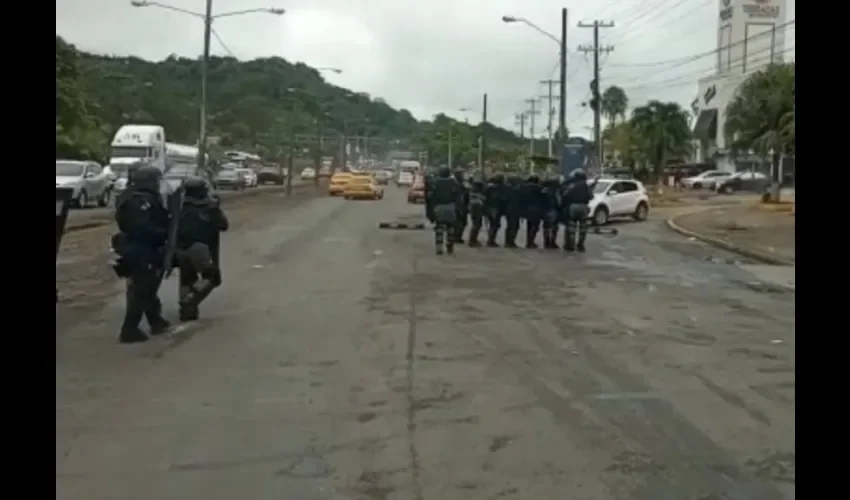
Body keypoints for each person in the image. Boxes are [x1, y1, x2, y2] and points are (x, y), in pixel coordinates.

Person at [112, 164, 171, 343]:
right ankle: (129, 329)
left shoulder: (137, 195)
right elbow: (141, 227)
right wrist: (162, 233)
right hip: (140, 248)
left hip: (142, 247)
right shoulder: (138, 200)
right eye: (155, 181)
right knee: (141, 288)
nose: (157, 184)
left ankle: (155, 320)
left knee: (148, 285)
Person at [175, 177, 229, 321]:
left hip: (180, 248)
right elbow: (223, 225)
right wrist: (217, 208)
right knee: (212, 278)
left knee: (186, 278)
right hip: (201, 248)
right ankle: (190, 299)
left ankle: (186, 310)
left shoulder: (179, 206)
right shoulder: (209, 207)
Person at [427, 166, 464, 255]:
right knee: (451, 227)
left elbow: (430, 198)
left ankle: (439, 247)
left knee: (439, 227)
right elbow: (459, 198)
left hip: (439, 208)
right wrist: (459, 210)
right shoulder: (454, 183)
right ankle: (449, 244)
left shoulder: (435, 183)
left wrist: (430, 212)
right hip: (451, 208)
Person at [561, 169, 595, 252]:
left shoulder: (572, 185)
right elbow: (591, 196)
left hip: (573, 207)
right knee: (583, 228)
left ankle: (570, 246)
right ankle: (580, 245)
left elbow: (565, 194)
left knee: (571, 227)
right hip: (583, 207)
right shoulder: (586, 185)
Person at [521, 175, 544, 248]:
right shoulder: (539, 188)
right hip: (536, 209)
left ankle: (529, 242)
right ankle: (530, 242)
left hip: (527, 208)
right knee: (535, 226)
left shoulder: (524, 187)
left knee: (529, 226)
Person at [483, 174, 505, 247]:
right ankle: (490, 241)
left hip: (490, 207)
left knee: (493, 224)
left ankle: (491, 240)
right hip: (495, 208)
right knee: (494, 225)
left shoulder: (489, 187)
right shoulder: (502, 188)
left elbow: (485, 197)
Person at [503, 175, 523, 248]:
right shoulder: (515, 189)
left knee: (510, 226)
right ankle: (510, 242)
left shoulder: (506, 188)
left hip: (508, 209)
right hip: (514, 209)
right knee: (514, 226)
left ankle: (508, 241)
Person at [541, 177, 561, 249]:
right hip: (553, 210)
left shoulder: (543, 190)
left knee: (546, 227)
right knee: (554, 227)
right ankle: (552, 242)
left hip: (545, 210)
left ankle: (546, 242)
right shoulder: (556, 191)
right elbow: (559, 202)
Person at [466, 179, 486, 247]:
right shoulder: (476, 194)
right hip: (476, 209)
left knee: (477, 224)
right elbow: (483, 199)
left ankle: (473, 239)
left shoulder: (472, 192)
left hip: (474, 209)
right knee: (476, 224)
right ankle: (472, 241)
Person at [452, 169, 470, 244]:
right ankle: (456, 237)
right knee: (460, 222)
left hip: (462, 205)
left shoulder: (462, 183)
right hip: (459, 205)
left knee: (462, 222)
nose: (465, 176)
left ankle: (458, 237)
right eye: (463, 174)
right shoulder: (456, 184)